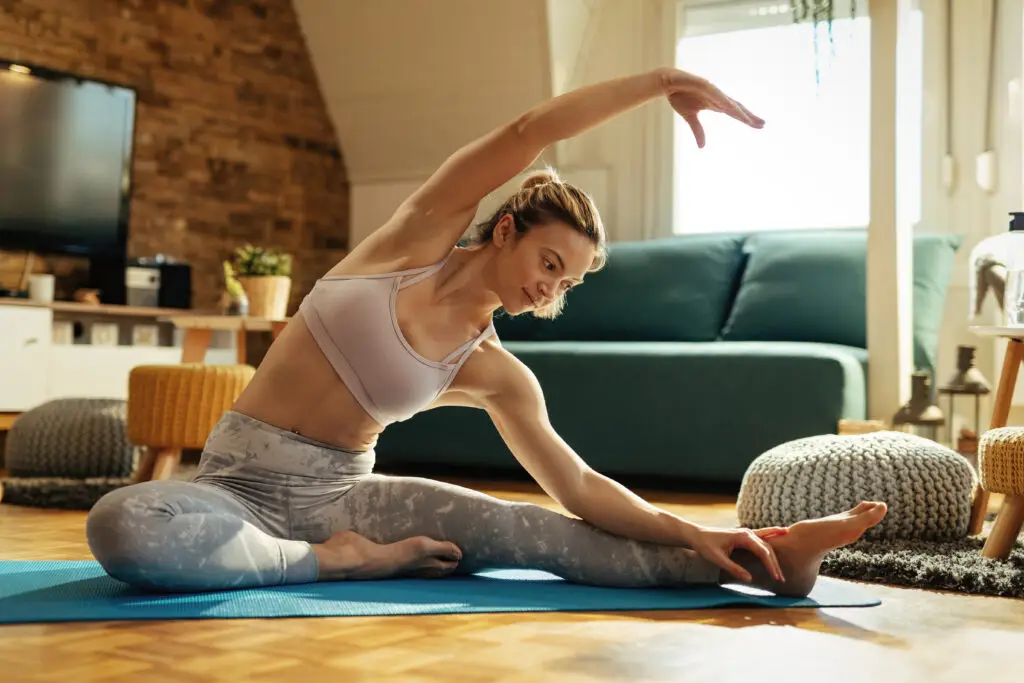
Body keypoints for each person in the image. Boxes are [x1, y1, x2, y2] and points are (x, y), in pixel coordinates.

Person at [86, 66, 887, 595]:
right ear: (505, 228)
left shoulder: (495, 371)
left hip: (344, 496)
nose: (550, 287)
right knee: (122, 527)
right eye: (549, 260)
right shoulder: (411, 240)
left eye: (566, 282)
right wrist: (661, 81)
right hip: (233, 488)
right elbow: (525, 132)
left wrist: (698, 529)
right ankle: (330, 566)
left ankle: (772, 559)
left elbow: (577, 489)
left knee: (543, 535)